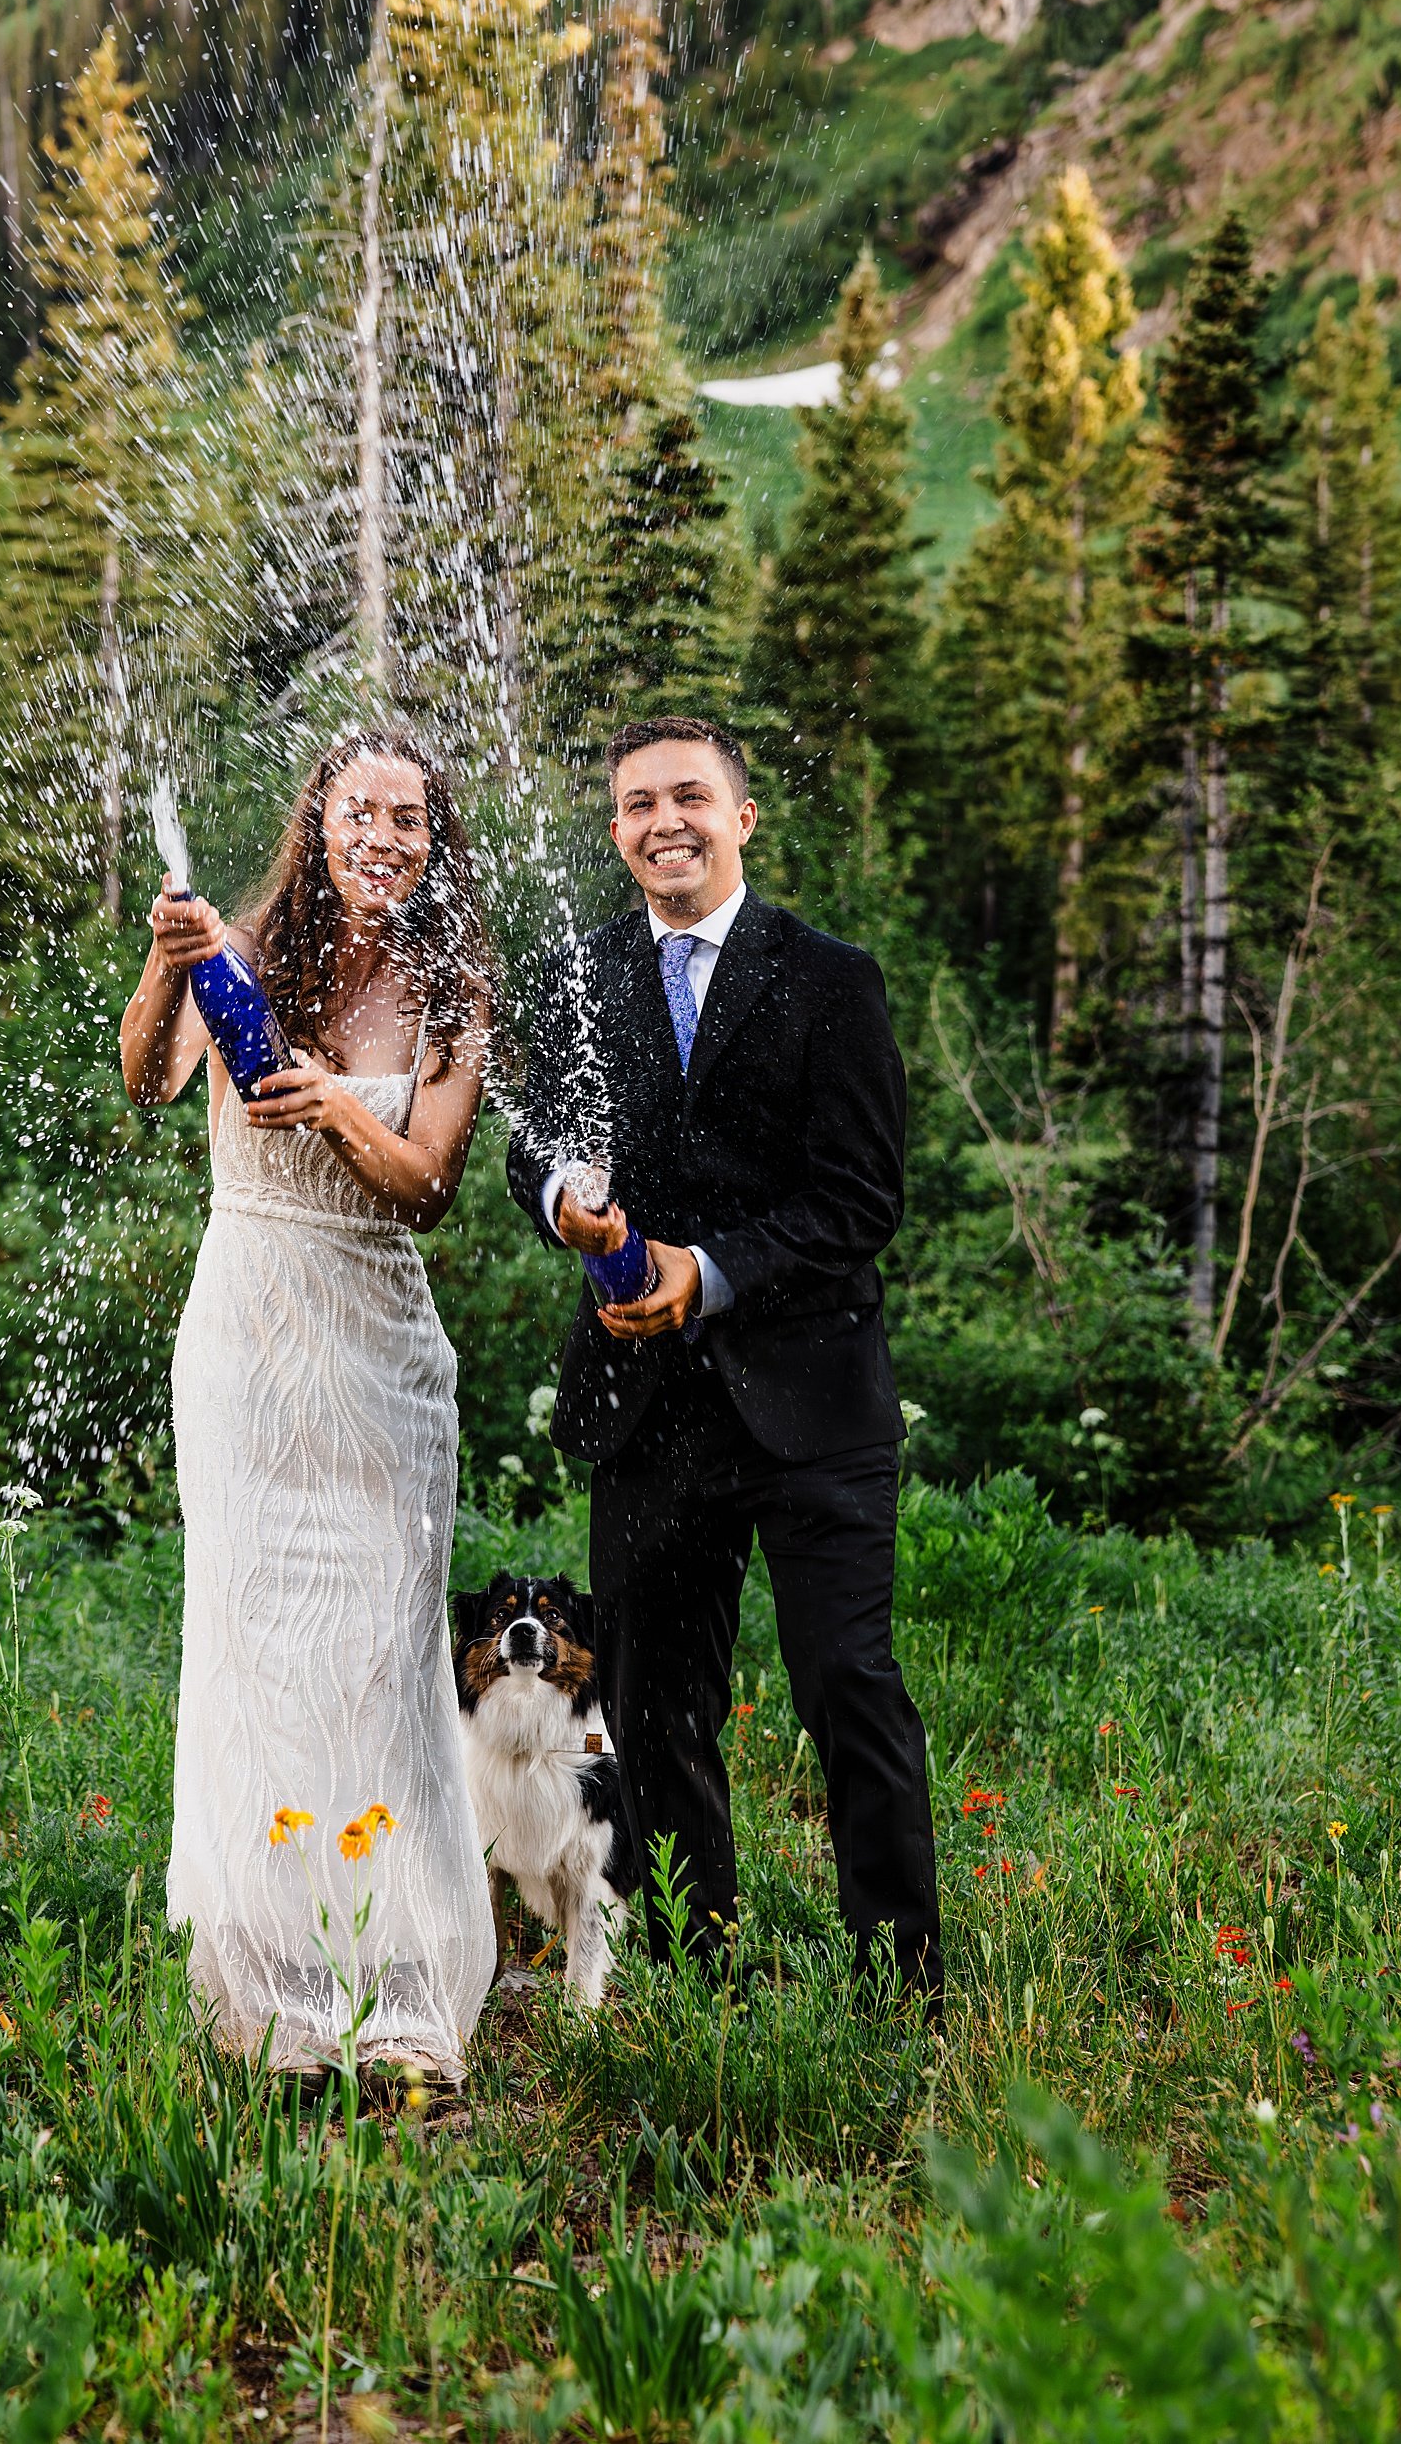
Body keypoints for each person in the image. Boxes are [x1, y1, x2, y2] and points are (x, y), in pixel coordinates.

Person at [507, 716, 942, 2007]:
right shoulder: (575, 979)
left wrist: (714, 1271)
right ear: (616, 831)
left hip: (813, 1401)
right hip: (645, 1409)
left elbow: (861, 1197)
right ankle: (702, 1979)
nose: (664, 822)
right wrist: (562, 1208)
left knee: (847, 1690)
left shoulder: (829, 977)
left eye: (690, 797)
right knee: (652, 1713)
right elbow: (534, 1153)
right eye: (637, 804)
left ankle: (897, 1988)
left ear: (743, 818)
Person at [120, 731, 497, 2083]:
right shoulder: (243, 948)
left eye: (410, 817)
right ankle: (272, 1987)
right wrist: (170, 970)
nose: (384, 835)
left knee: (384, 1661)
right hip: (245, 1345)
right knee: (254, 1646)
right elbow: (147, 1076)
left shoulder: (455, 989)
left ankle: (399, 1988)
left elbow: (431, 1187)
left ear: (431, 839)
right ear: (321, 823)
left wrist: (338, 1106)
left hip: (383, 1361)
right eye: (362, 812)